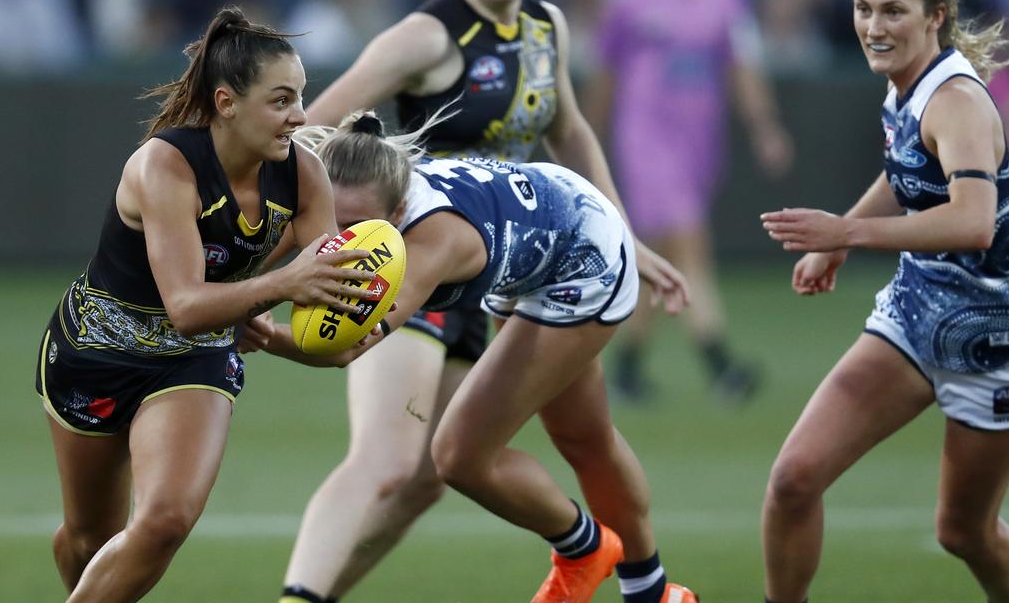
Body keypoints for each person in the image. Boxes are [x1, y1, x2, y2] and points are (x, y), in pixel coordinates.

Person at [277, 0, 687, 602]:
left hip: (521, 264)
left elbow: (570, 132)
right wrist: (286, 249)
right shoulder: (425, 37)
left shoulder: (545, 26)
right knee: (389, 462)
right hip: (426, 261)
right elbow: (309, 131)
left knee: (523, 454)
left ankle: (650, 590)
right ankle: (302, 597)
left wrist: (625, 234)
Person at [264, 112, 697, 603]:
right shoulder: (347, 197)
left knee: (459, 456)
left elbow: (344, 349)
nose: (337, 244)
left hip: (582, 256)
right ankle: (656, 595)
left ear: (399, 209)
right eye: (332, 223)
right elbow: (261, 267)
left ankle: (584, 550)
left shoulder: (431, 243)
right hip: (531, 249)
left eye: (357, 227)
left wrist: (259, 332)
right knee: (583, 435)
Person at [36, 6, 379, 603]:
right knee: (92, 538)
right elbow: (188, 304)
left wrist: (340, 330)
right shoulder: (164, 166)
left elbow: (327, 343)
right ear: (226, 103)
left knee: (165, 521)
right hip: (95, 347)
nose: (299, 116)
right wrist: (280, 287)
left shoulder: (305, 176)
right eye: (280, 101)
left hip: (194, 358)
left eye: (300, 97)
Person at [758, 0, 1009, 603]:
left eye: (893, 10)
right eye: (864, 9)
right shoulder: (902, 87)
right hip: (915, 322)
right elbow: (904, 173)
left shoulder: (956, 100)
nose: (873, 25)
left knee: (963, 534)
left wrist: (848, 234)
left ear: (935, 16)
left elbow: (973, 221)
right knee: (794, 478)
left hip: (996, 346)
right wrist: (839, 237)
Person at [587, 0, 794, 403]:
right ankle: (721, 363)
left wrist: (764, 126)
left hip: (699, 143)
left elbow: (743, 68)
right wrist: (586, 140)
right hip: (645, 138)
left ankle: (628, 368)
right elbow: (605, 73)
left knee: (658, 252)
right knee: (689, 244)